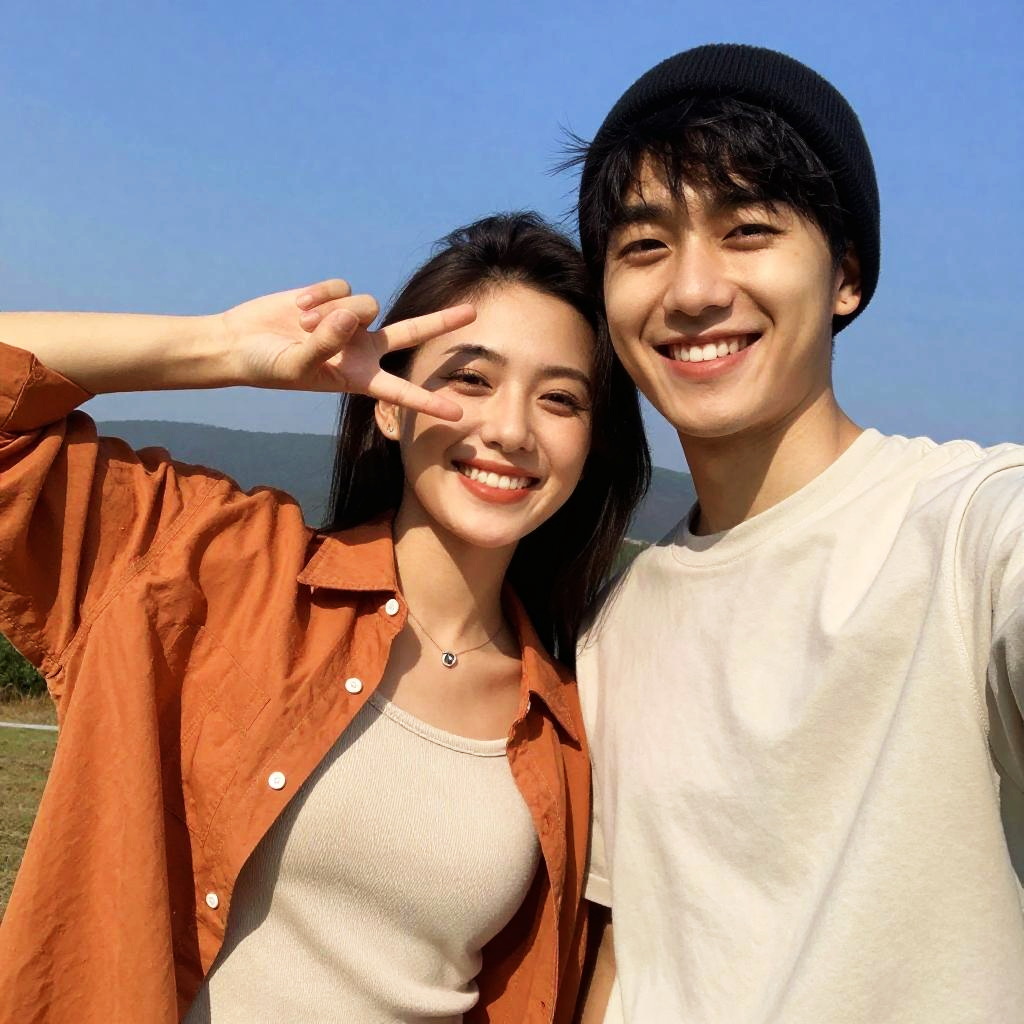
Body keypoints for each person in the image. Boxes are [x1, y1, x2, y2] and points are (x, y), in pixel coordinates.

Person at [0, 212, 650, 1023]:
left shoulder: (569, 728)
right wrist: (223, 347)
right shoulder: (211, 568)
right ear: (387, 405)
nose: (511, 429)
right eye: (471, 380)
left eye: (559, 398)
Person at [569, 44, 1024, 1023]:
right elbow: (632, 945)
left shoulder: (967, 528)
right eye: (644, 246)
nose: (692, 290)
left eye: (747, 231)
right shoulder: (616, 622)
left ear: (846, 274)